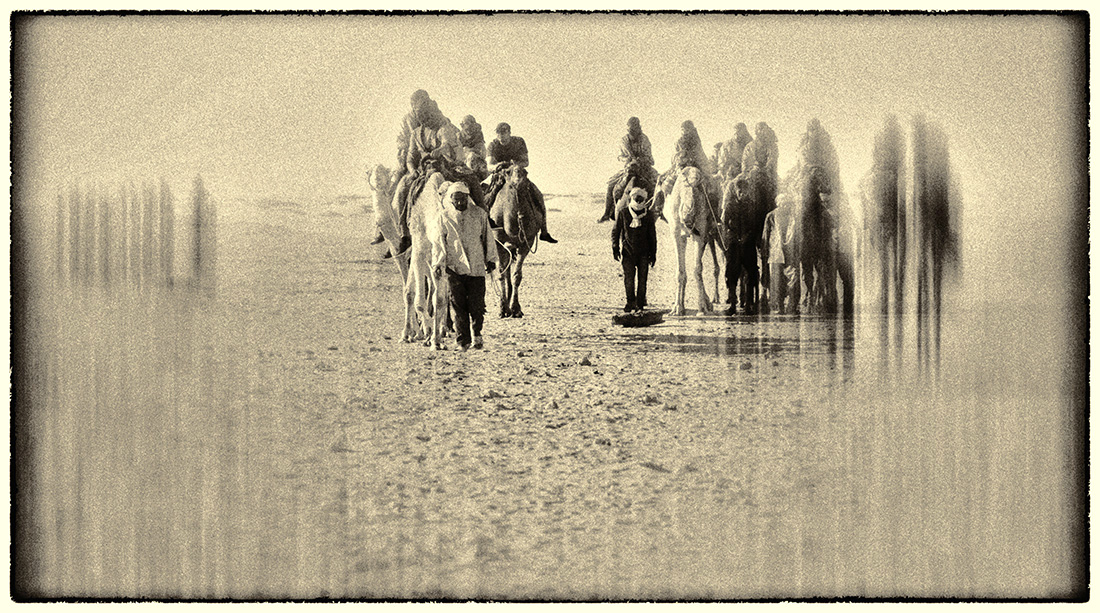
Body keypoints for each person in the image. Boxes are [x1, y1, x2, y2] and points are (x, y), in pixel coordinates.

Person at [435, 181, 498, 351]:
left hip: (476, 266)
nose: (460, 202)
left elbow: (487, 237)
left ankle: (477, 334)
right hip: (454, 266)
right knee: (458, 305)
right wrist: (438, 262)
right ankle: (462, 341)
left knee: (477, 305)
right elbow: (439, 242)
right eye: (456, 199)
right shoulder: (444, 216)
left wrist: (491, 259)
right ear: (451, 199)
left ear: (468, 197)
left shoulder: (479, 214)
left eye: (463, 198)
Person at [485, 122, 557, 243]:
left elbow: (526, 162)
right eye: (498, 133)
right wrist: (498, 166)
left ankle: (544, 231)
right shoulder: (493, 145)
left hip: (517, 175)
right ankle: (485, 227)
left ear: (509, 132)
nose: (501, 136)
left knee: (538, 195)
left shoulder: (519, 142)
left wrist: (515, 166)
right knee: (486, 198)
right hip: (500, 176)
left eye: (504, 133)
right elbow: (489, 165)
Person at [598, 116, 659, 223]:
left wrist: (641, 160)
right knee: (611, 184)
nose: (633, 131)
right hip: (629, 167)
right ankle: (607, 213)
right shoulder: (624, 140)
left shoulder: (644, 139)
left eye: (635, 128)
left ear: (639, 127)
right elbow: (620, 156)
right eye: (631, 128)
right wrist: (628, 159)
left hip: (644, 168)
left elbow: (648, 156)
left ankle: (658, 210)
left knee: (658, 183)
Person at [612, 187, 658, 312]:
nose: (638, 201)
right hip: (628, 252)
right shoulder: (623, 213)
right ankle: (630, 302)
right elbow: (616, 231)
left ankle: (640, 304)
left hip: (644, 254)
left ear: (644, 200)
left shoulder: (648, 215)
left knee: (642, 281)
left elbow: (652, 236)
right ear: (632, 198)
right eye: (636, 198)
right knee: (629, 280)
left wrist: (653, 254)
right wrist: (615, 248)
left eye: (641, 199)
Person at [761, 193, 795, 314]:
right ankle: (779, 306)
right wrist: (764, 250)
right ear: (778, 203)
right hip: (776, 251)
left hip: (789, 251)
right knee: (777, 280)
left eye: (787, 203)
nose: (785, 205)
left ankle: (791, 305)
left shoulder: (793, 217)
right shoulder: (771, 216)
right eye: (783, 203)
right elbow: (766, 234)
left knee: (791, 279)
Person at [458, 115, 489, 181]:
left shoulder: (478, 133)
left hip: (477, 157)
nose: (469, 131)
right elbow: (458, 151)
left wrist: (472, 152)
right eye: (467, 129)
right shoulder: (460, 135)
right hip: (464, 158)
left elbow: (481, 148)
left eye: (471, 128)